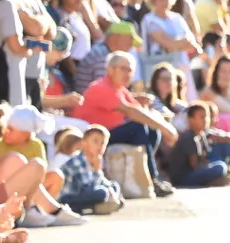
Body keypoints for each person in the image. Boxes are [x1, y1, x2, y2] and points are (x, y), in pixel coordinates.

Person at [76, 51, 178, 197]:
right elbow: (132, 112)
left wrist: (160, 123)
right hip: (93, 138)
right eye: (123, 69)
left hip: (108, 135)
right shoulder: (101, 87)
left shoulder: (121, 90)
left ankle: (148, 175)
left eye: (130, 70)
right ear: (111, 69)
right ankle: (153, 179)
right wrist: (166, 128)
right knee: (139, 127)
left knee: (150, 129)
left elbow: (140, 111)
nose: (128, 73)